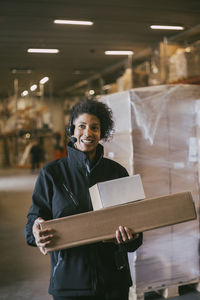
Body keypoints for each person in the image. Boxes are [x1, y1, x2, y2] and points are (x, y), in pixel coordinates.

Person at [24, 99, 143, 300]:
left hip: (113, 283)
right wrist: (36, 231)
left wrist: (129, 238)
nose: (88, 133)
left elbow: (136, 232)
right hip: (69, 284)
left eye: (94, 128)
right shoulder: (52, 174)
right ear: (72, 129)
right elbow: (31, 227)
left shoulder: (117, 172)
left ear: (101, 133)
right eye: (82, 126)